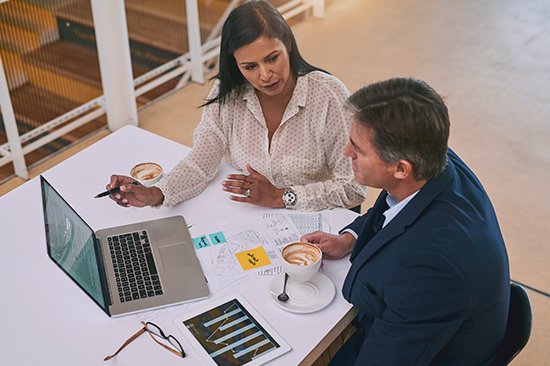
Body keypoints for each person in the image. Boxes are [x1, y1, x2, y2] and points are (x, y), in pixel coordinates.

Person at [302, 78, 510, 365]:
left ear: (401, 168)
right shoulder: (436, 160)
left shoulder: (430, 267)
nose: (346, 153)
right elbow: (393, 206)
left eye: (358, 150)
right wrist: (350, 238)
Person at [106, 0, 365, 212]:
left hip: (316, 224)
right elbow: (202, 160)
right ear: (235, 64)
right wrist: (156, 194)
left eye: (272, 58)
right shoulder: (226, 93)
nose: (265, 75)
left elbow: (353, 188)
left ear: (287, 41)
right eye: (249, 67)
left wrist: (281, 197)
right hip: (247, 219)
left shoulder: (330, 96)